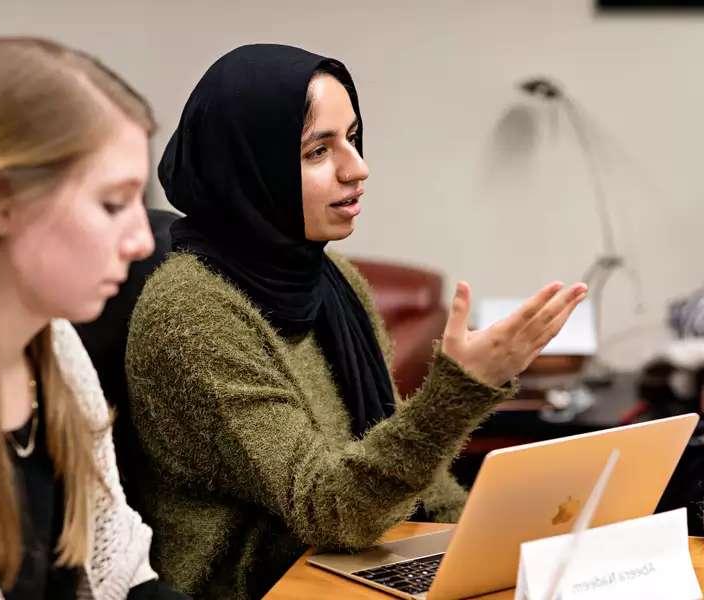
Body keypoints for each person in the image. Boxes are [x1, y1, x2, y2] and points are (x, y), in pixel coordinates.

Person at [125, 44, 588, 599]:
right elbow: (331, 510)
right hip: (260, 584)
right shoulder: (192, 313)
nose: (358, 168)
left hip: (357, 559)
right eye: (318, 151)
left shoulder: (333, 278)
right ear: (250, 168)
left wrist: (488, 550)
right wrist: (461, 391)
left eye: (354, 137)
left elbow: (415, 476)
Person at [0, 37, 187, 599]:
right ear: (0, 201)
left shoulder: (54, 347)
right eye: (112, 204)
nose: (140, 240)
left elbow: (123, 573)